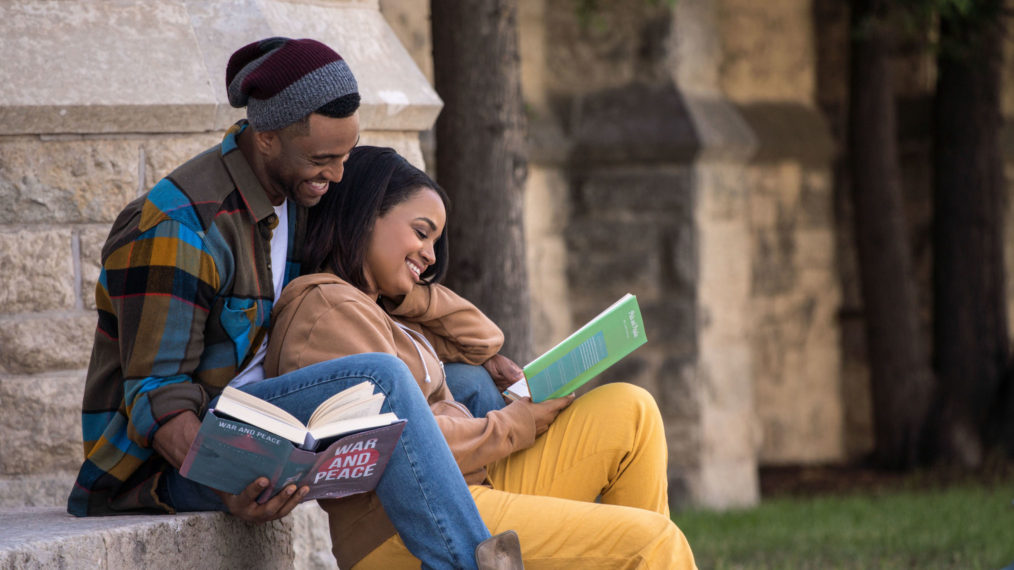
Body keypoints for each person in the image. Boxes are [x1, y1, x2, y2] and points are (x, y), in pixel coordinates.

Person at [67, 37, 522, 570]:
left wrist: (479, 352)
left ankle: (526, 519)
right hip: (178, 463)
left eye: (346, 156)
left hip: (282, 424)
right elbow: (159, 399)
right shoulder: (183, 226)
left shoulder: (301, 200)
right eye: (322, 159)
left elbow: (382, 288)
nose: (337, 175)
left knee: (466, 382)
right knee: (382, 380)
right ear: (265, 138)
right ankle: (468, 562)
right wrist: (228, 477)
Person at [263, 146, 699, 569]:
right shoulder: (327, 310)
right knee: (651, 542)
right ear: (364, 216)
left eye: (434, 241)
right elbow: (408, 452)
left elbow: (482, 339)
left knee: (631, 413)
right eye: (420, 232)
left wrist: (406, 292)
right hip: (405, 528)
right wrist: (517, 425)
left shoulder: (374, 309)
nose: (430, 255)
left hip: (468, 486)